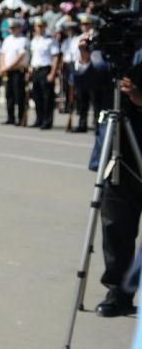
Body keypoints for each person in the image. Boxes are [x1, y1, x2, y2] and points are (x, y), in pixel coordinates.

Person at [90, 61, 142, 317]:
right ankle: (119, 293)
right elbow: (86, 85)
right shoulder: (116, 44)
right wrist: (84, 60)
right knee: (115, 225)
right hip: (119, 148)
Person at [28, 18, 61, 129]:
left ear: (45, 27)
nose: (39, 28)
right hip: (35, 70)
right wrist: (30, 68)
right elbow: (33, 56)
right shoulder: (34, 40)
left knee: (47, 97)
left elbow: (55, 57)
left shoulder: (50, 40)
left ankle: (47, 121)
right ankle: (39, 119)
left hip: (45, 69)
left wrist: (52, 73)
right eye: (38, 26)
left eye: (41, 26)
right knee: (36, 96)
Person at [0, 18, 29, 126]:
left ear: (19, 28)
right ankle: (10, 117)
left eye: (14, 28)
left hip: (17, 70)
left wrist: (8, 67)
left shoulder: (23, 40)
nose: (12, 30)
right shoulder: (7, 39)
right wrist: (2, 66)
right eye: (11, 28)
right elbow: (2, 54)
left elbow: (21, 56)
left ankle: (21, 118)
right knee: (9, 95)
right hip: (8, 71)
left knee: (19, 95)